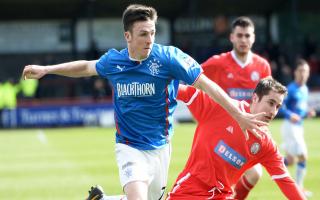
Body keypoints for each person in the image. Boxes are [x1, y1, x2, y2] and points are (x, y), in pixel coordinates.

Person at [22, 4, 267, 200]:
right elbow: (86, 67)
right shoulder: (114, 62)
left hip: (160, 147)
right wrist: (47, 69)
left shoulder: (169, 58)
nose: (149, 39)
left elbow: (205, 84)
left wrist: (238, 114)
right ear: (127, 36)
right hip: (129, 146)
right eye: (143, 34)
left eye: (152, 33)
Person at [167, 77, 305, 199]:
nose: (273, 111)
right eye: (271, 103)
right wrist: (152, 88)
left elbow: (284, 179)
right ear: (255, 98)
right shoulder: (222, 107)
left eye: (278, 106)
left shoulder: (265, 143)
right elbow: (182, 91)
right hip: (189, 191)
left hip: (222, 195)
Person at [201, 16, 271, 199]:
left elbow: (267, 100)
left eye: (247, 36)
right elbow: (194, 77)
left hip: (249, 131)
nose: (243, 40)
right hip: (223, 131)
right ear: (231, 37)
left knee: (254, 174)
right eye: (239, 35)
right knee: (223, 180)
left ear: (253, 38)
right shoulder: (218, 63)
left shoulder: (262, 66)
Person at [280, 59, 316, 197]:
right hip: (290, 127)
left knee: (290, 161)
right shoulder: (291, 88)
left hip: (298, 128)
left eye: (306, 71)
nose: (303, 74)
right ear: (295, 72)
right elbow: (281, 107)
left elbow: (300, 109)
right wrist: (290, 115)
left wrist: (307, 112)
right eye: (301, 71)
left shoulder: (305, 89)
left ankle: (270, 161)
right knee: (303, 156)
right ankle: (299, 188)